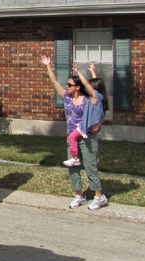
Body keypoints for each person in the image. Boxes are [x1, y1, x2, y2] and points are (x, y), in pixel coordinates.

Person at [41, 55, 107, 210]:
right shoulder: (66, 98)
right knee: (73, 168)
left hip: (87, 137)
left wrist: (98, 125)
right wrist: (48, 65)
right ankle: (80, 195)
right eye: (67, 84)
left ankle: (99, 196)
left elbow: (102, 111)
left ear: (77, 87)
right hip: (71, 137)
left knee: (90, 166)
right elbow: (54, 81)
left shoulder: (88, 99)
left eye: (69, 84)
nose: (67, 86)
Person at [64, 63, 108, 171]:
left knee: (71, 137)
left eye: (91, 88)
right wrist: (93, 71)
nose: (88, 88)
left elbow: (87, 83)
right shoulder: (100, 96)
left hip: (86, 125)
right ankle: (95, 158)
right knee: (90, 146)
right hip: (90, 126)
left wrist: (78, 72)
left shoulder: (95, 97)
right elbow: (95, 83)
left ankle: (75, 158)